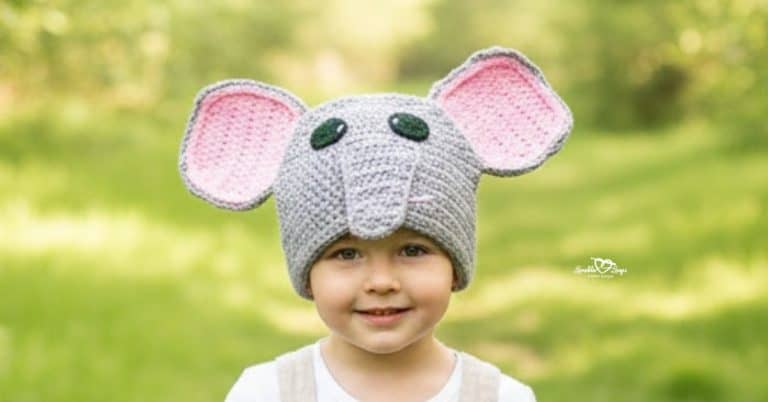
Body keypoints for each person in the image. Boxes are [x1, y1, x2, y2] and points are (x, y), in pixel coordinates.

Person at [178, 46, 573, 402]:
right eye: (346, 253)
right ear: (307, 273)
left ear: (455, 264)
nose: (381, 281)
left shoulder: (499, 397)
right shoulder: (266, 393)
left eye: (413, 250)